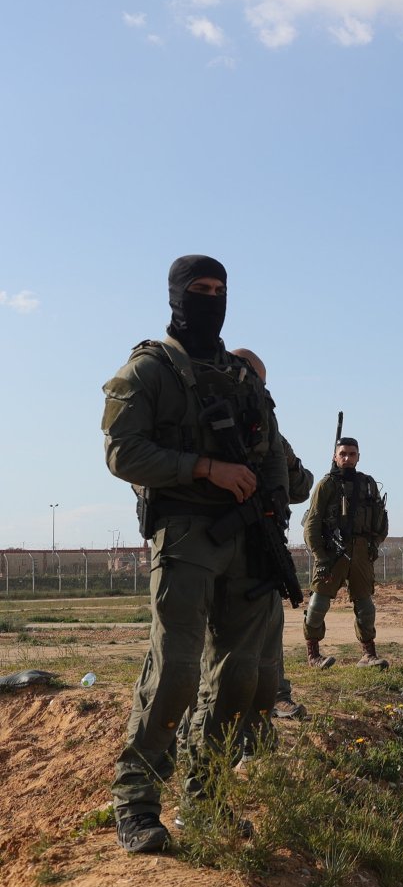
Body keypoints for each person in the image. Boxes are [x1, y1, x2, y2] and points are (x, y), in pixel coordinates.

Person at [101, 255, 288, 853]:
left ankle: (204, 800)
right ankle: (136, 803)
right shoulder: (149, 370)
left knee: (239, 679)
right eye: (199, 290)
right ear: (177, 297)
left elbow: (275, 456)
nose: (211, 299)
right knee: (176, 672)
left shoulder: (241, 376)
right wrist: (203, 467)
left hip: (248, 541)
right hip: (185, 535)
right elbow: (123, 454)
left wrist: (274, 510)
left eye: (219, 290)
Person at [231, 349, 316, 722]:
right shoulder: (203, 421)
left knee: (266, 626)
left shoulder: (267, 432)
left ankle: (273, 697)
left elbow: (299, 486)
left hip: (257, 541)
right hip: (218, 544)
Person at [302, 437, 389, 668]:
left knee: (366, 607)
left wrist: (373, 545)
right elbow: (311, 524)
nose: (347, 458)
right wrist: (320, 556)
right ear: (335, 456)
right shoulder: (326, 485)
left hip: (361, 552)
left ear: (358, 456)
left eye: (352, 454)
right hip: (332, 552)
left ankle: (368, 654)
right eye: (343, 454)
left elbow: (381, 520)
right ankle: (313, 655)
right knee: (318, 605)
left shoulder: (368, 484)